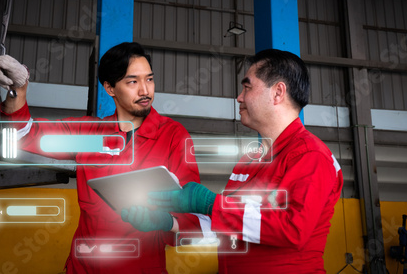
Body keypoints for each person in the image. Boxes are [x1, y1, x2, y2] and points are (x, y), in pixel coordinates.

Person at [0, 42, 207, 273]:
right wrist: (18, 91)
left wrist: (168, 222)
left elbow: (194, 218)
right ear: (110, 88)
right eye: (133, 81)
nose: (145, 90)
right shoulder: (89, 132)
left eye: (149, 79)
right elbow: (25, 135)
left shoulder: (173, 136)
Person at [146, 49, 344, 273]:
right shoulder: (249, 162)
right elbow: (232, 225)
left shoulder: (311, 156)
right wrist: (171, 223)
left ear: (278, 93)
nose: (239, 97)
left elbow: (293, 228)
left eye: (247, 87)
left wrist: (212, 204)